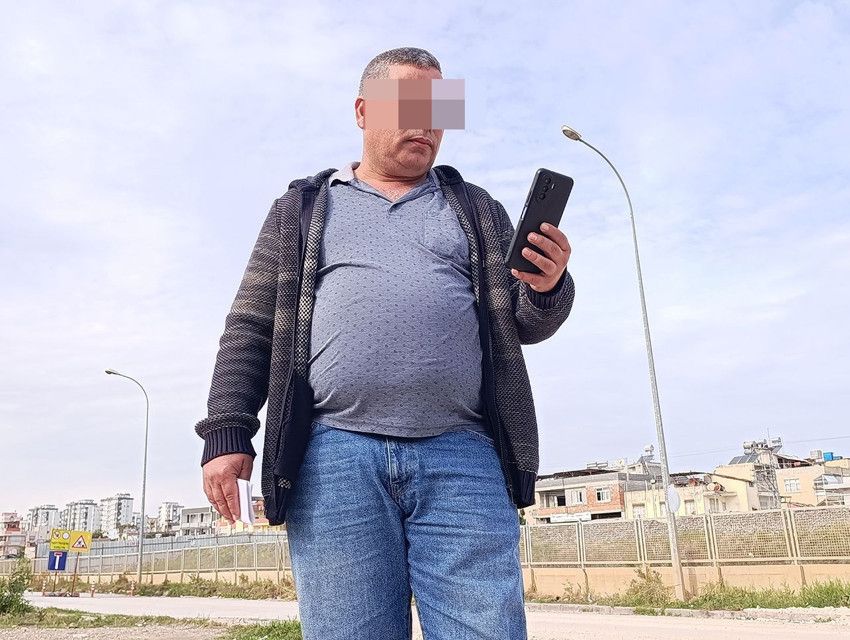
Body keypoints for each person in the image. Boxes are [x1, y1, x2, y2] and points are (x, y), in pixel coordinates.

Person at [196, 47, 575, 640]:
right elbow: (250, 326)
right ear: (362, 111)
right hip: (334, 458)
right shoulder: (302, 209)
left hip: (463, 455)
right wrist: (227, 432)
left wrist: (548, 286)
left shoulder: (477, 209)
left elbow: (525, 323)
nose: (426, 124)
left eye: (439, 110)